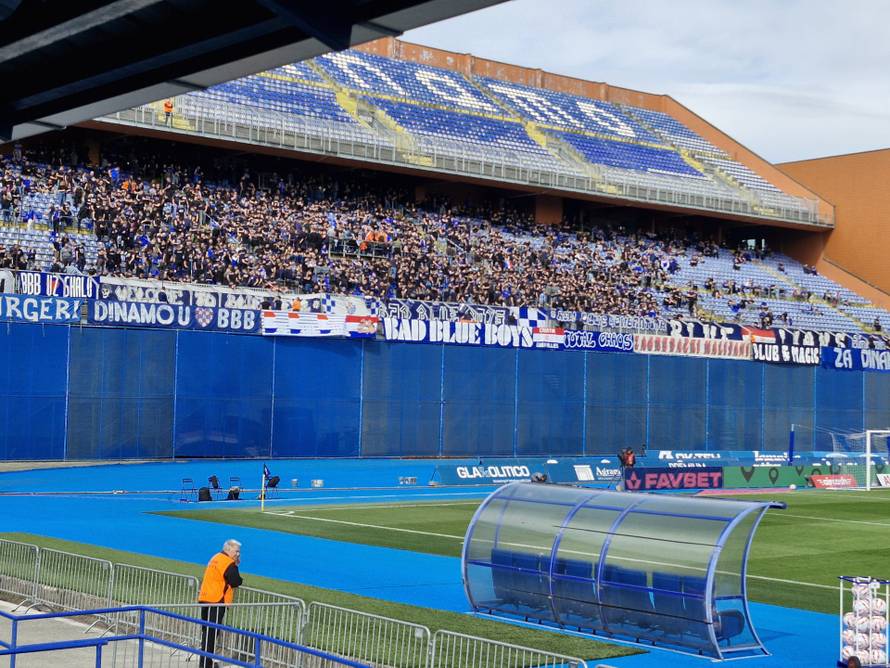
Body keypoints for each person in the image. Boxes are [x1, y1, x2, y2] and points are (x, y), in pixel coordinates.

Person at [197, 539, 243, 667]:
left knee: (207, 633)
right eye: (236, 551)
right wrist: (236, 568)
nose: (238, 554)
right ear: (228, 550)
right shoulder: (228, 563)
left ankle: (206, 662)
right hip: (217, 601)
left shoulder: (216, 557)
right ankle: (206, 664)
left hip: (205, 598)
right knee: (211, 634)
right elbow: (235, 581)